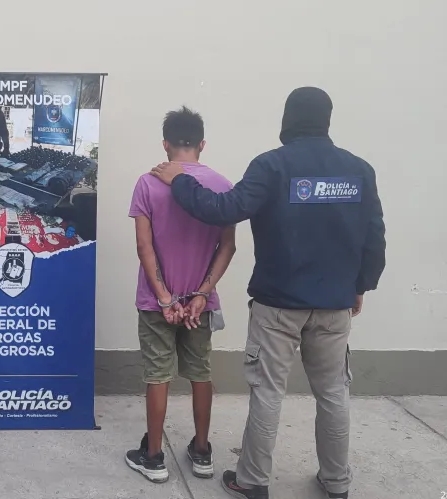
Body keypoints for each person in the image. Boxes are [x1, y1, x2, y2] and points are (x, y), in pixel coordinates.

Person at [151, 87, 387, 499]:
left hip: (278, 304)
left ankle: (252, 481)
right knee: (334, 394)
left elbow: (224, 209)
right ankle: (336, 483)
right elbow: (375, 236)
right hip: (335, 305)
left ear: (288, 119)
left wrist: (180, 180)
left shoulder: (272, 166)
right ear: (327, 120)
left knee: (268, 393)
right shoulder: (359, 170)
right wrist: (360, 285)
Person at [125, 107, 237, 483]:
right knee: (200, 371)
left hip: (157, 302)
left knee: (158, 375)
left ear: (165, 144)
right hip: (199, 305)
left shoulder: (147, 183)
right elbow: (227, 246)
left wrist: (164, 296)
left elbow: (144, 247)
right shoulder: (222, 185)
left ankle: (154, 457)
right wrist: (202, 293)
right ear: (202, 144)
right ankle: (202, 452)